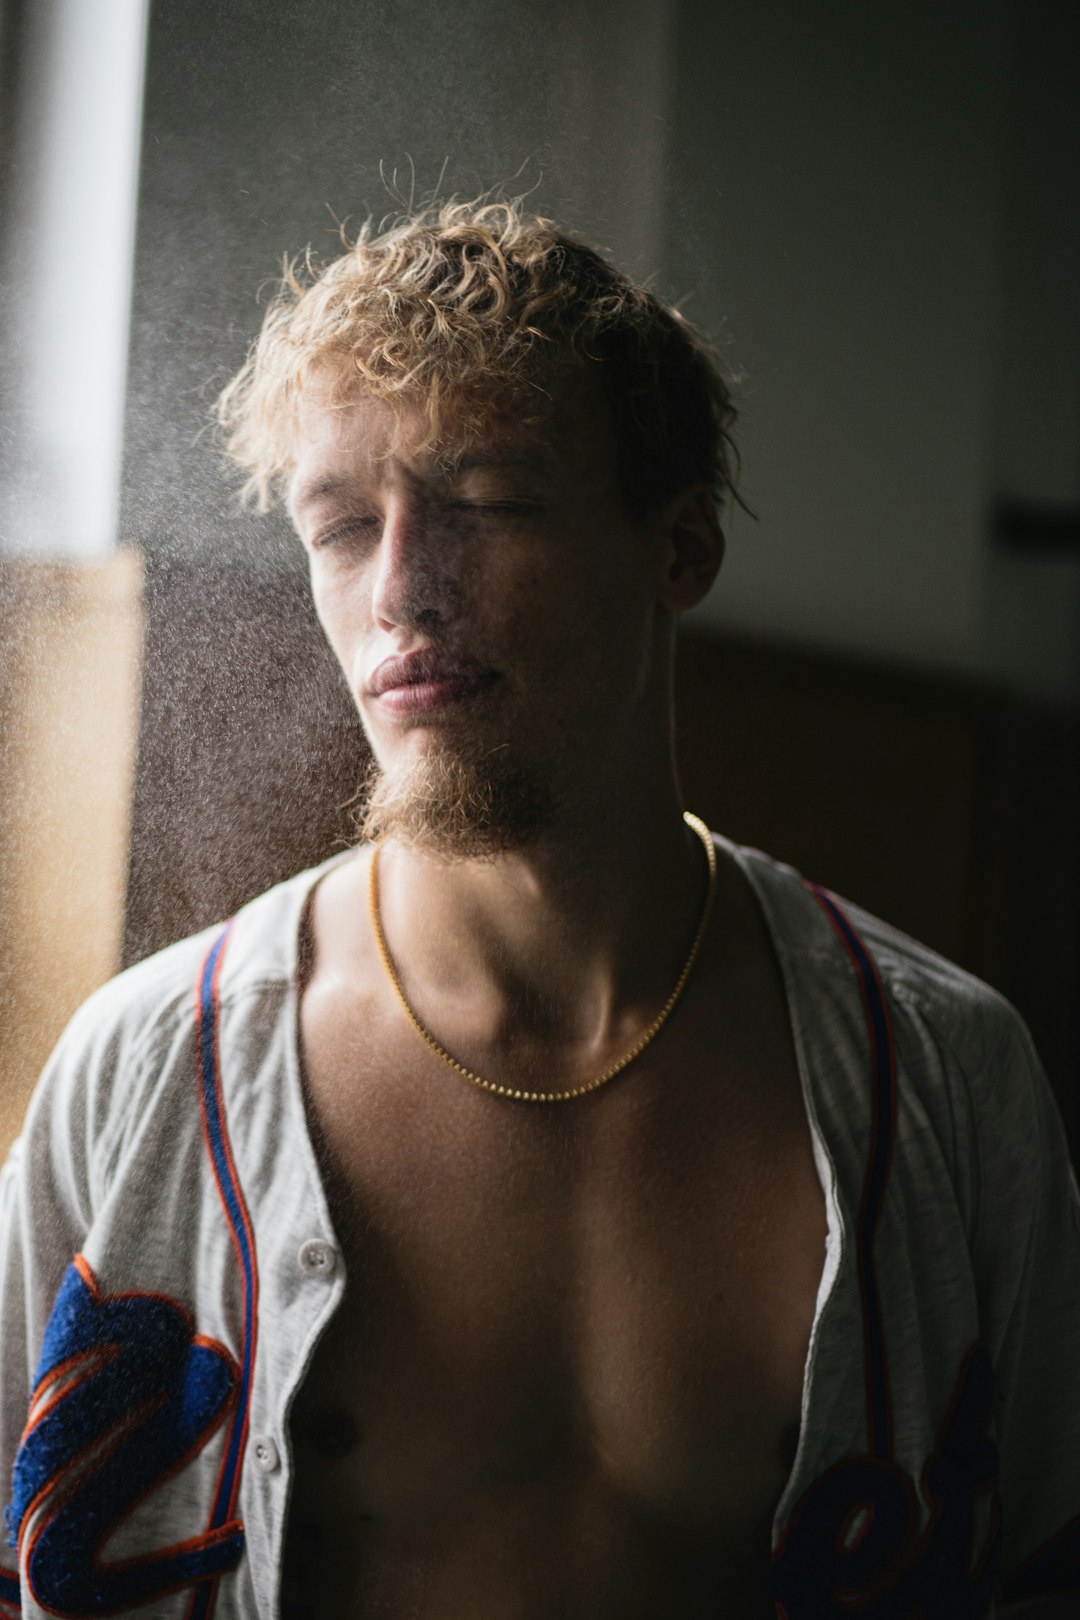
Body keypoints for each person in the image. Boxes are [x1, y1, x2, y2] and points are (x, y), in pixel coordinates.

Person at [1, 197, 1078, 1620]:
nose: (401, 593)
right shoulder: (143, 1075)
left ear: (679, 550)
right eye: (341, 526)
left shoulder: (947, 1081)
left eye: (489, 505)